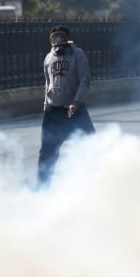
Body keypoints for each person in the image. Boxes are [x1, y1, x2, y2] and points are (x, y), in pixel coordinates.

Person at [37, 25, 95, 186]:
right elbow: (47, 83)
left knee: (92, 146)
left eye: (60, 38)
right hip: (53, 111)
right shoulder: (48, 58)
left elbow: (85, 80)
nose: (57, 42)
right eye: (54, 38)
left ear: (67, 39)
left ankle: (94, 183)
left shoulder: (78, 54)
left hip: (75, 110)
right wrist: (45, 105)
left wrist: (76, 102)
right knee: (47, 152)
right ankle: (42, 187)